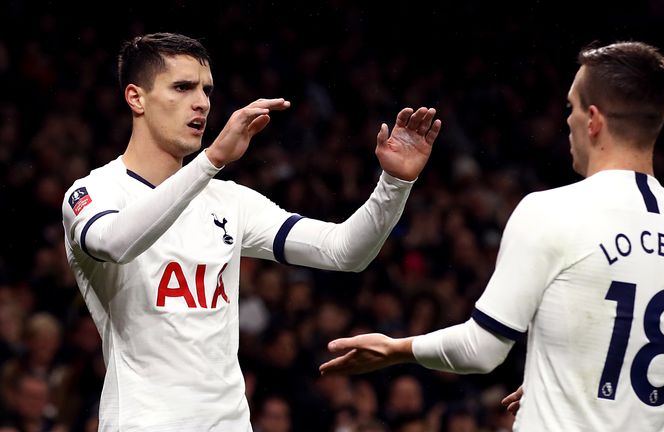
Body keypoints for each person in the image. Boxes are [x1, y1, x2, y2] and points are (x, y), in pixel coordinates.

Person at [320, 41, 664, 431]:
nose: (568, 120)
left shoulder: (551, 211)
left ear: (593, 119)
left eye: (571, 107)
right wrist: (557, 377)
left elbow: (481, 350)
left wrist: (395, 349)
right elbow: (632, 360)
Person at [61, 32, 441, 431]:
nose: (202, 102)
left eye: (206, 89)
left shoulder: (229, 201)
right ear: (136, 98)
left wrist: (394, 184)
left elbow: (343, 252)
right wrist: (211, 160)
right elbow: (115, 243)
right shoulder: (92, 192)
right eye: (183, 87)